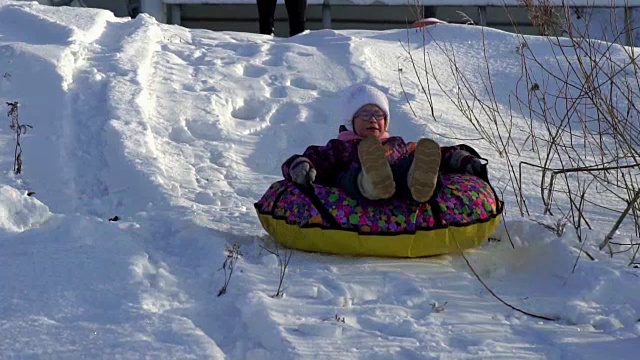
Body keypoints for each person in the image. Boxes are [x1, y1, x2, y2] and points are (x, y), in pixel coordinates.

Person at [281, 84, 485, 202]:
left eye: (378, 114)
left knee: (408, 163)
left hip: (400, 185)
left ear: (385, 121)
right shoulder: (340, 146)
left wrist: (461, 158)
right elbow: (314, 157)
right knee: (348, 175)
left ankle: (420, 183)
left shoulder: (396, 143)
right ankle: (370, 181)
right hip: (359, 186)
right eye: (364, 114)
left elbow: (438, 153)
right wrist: (300, 165)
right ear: (350, 121)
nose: (372, 119)